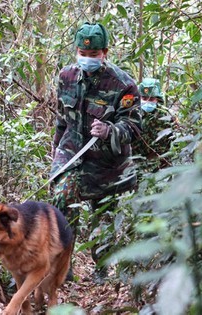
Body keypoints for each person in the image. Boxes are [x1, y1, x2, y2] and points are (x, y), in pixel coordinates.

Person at [50, 22, 142, 282]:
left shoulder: (123, 84)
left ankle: (100, 272)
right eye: (82, 53)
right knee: (61, 201)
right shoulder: (66, 76)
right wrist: (56, 150)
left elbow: (134, 126)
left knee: (102, 218)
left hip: (107, 165)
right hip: (71, 154)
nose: (87, 59)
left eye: (93, 55)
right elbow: (61, 118)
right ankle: (62, 270)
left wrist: (110, 130)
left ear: (105, 53)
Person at [132, 78, 173, 174]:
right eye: (144, 98)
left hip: (160, 164)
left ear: (157, 99)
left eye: (151, 99)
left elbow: (173, 141)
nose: (147, 102)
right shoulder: (133, 113)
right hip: (136, 164)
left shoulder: (166, 115)